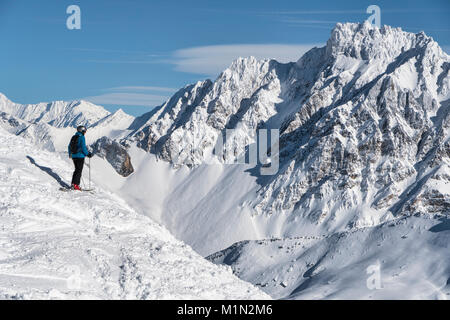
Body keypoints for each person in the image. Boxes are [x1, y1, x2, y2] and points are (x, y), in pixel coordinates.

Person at [68, 125, 93, 190]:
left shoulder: (74, 137)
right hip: (80, 156)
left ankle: (73, 184)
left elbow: (69, 146)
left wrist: (70, 154)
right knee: (79, 171)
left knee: (76, 170)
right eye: (84, 131)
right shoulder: (82, 137)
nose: (85, 132)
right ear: (82, 131)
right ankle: (76, 185)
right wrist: (88, 154)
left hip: (74, 156)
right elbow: (83, 147)